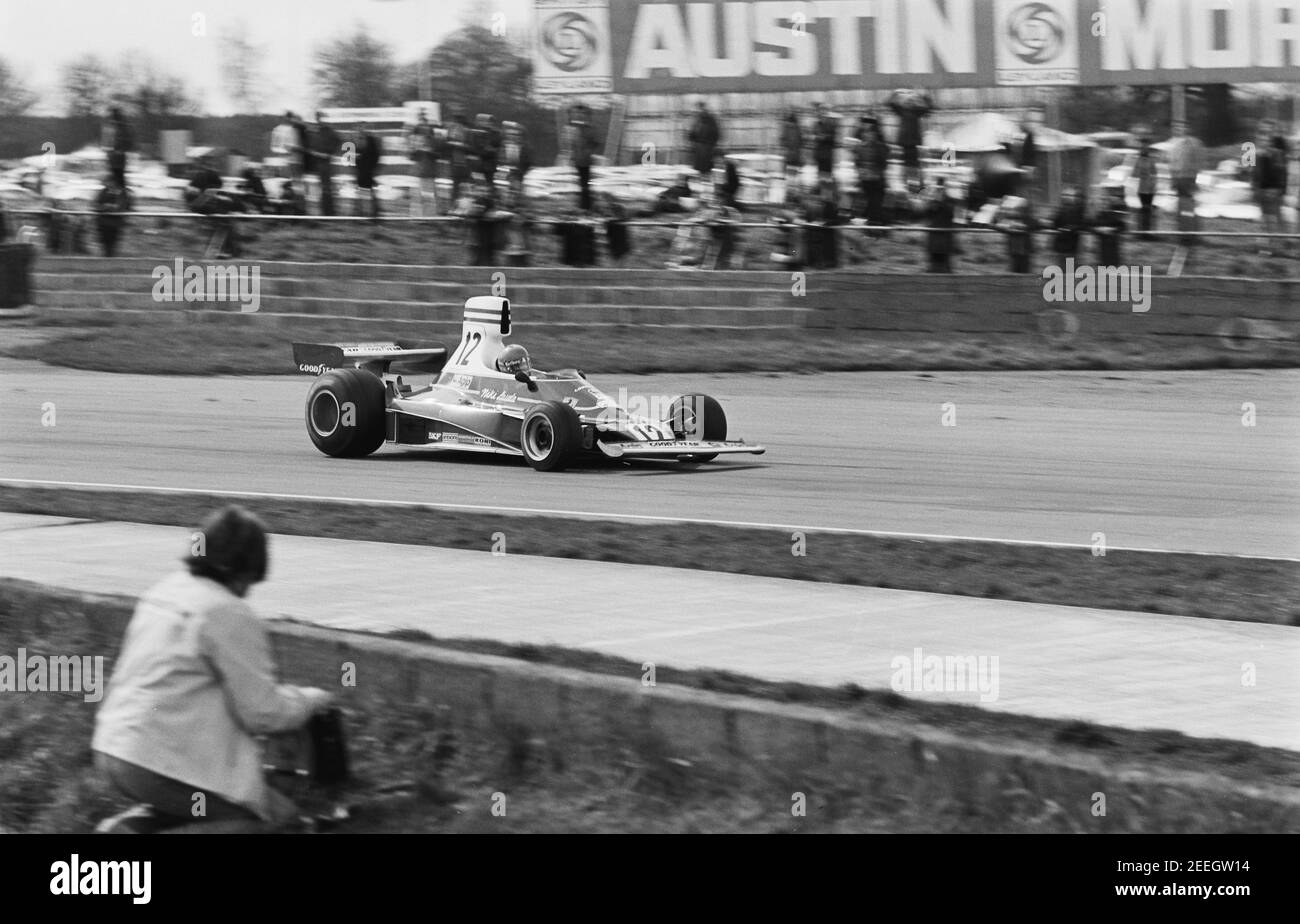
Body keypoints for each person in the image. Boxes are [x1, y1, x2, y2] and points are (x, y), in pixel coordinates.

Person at [92, 506, 334, 833]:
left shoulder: (165, 592)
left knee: (204, 809)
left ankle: (128, 829)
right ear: (246, 568)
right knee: (258, 824)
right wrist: (310, 701)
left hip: (115, 746)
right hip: (158, 759)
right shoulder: (226, 612)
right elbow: (262, 713)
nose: (249, 589)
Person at [1166, 121, 1203, 236]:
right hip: (1178, 178)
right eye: (1178, 128)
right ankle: (1183, 228)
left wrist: (1193, 178)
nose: (1180, 130)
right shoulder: (1172, 144)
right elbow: (1171, 163)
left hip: (1187, 178)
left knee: (1187, 205)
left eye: (1183, 127)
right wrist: (1173, 179)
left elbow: (1197, 162)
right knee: (1182, 205)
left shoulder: (1194, 144)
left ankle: (1189, 229)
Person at [1255, 134, 1289, 251]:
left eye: (1265, 140)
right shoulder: (1257, 154)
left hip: (1272, 191)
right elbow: (1253, 173)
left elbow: (1282, 173)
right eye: (1260, 140)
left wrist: (1280, 190)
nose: (1263, 142)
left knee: (1272, 218)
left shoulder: (1277, 154)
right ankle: (1268, 244)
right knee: (1266, 218)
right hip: (1263, 190)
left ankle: (1276, 245)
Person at [854, 115, 889, 224]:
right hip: (869, 179)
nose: (867, 134)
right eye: (866, 132)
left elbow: (883, 163)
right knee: (871, 203)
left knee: (875, 203)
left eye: (869, 132)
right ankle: (873, 224)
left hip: (876, 179)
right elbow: (857, 162)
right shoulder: (860, 147)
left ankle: (875, 225)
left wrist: (875, 172)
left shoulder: (880, 146)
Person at [568, 104, 599, 212]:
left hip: (584, 161)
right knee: (574, 185)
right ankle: (577, 206)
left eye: (582, 113)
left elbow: (594, 143)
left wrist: (587, 153)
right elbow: (568, 144)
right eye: (577, 113)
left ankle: (585, 206)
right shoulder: (570, 128)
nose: (579, 115)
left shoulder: (589, 128)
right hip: (574, 160)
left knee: (584, 186)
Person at [995, 195, 1035, 273]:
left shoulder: (1028, 219)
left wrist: (1023, 227)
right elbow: (998, 226)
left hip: (1024, 252)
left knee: (1025, 273)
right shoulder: (1009, 220)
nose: (1018, 211)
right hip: (1014, 252)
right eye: (1017, 208)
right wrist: (1007, 227)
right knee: (1014, 273)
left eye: (1021, 208)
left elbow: (1036, 225)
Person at [94, 174, 131, 257]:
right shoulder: (103, 192)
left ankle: (110, 261)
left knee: (112, 245)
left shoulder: (122, 193)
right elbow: (96, 205)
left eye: (108, 181)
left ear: (114, 182)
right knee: (104, 245)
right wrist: (108, 207)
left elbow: (121, 207)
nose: (106, 183)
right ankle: (107, 260)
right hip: (103, 223)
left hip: (115, 224)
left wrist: (107, 207)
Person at [407, 112, 437, 215]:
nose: (423, 128)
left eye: (424, 124)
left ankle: (430, 216)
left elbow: (437, 155)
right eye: (420, 125)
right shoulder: (414, 140)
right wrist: (416, 149)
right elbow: (411, 156)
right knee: (415, 195)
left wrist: (429, 151)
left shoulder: (433, 140)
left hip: (429, 171)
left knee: (428, 196)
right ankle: (416, 217)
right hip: (417, 172)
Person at [1050, 186, 1088, 268]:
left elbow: (1083, 224)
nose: (1066, 197)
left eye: (1069, 195)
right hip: (1062, 244)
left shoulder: (1078, 209)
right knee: (1062, 266)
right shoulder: (1061, 209)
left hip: (1071, 244)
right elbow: (1055, 223)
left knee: (1069, 268)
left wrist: (1070, 228)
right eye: (1065, 195)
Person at [312, 111, 340, 217]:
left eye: (319, 118)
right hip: (319, 163)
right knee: (323, 187)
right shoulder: (317, 131)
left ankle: (330, 212)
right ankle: (325, 212)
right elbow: (314, 145)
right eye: (317, 118)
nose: (319, 120)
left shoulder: (329, 131)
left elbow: (338, 141)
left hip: (326, 163)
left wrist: (329, 153)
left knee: (327, 187)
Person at [922, 180, 955, 273]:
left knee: (945, 262)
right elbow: (926, 213)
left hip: (944, 235)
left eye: (941, 188)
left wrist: (941, 203)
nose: (939, 190)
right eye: (938, 188)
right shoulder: (932, 201)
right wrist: (932, 204)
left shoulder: (950, 200)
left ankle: (945, 273)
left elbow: (951, 214)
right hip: (935, 235)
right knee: (934, 260)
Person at [1093, 185, 1127, 266]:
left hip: (1113, 248)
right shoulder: (1099, 215)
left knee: (1113, 272)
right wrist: (1099, 230)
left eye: (1105, 201)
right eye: (1102, 201)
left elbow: (1122, 226)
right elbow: (1091, 226)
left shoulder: (1114, 215)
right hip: (1102, 249)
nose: (1103, 204)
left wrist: (1111, 230)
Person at [354, 123, 382, 219]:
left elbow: (377, 155)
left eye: (363, 128)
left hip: (369, 171)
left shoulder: (372, 140)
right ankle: (362, 214)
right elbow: (348, 158)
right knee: (362, 192)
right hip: (359, 171)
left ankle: (373, 214)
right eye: (359, 128)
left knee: (369, 192)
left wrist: (373, 168)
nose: (361, 130)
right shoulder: (353, 141)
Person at [102, 106, 134, 187]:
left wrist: (109, 152)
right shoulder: (121, 126)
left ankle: (118, 192)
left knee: (117, 175)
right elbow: (128, 141)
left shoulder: (111, 126)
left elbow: (127, 141)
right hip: (116, 156)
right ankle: (118, 191)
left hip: (116, 156)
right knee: (117, 175)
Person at [688, 101, 721, 176]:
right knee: (700, 167)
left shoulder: (708, 119)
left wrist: (711, 145)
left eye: (699, 108)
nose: (697, 111)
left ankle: (705, 177)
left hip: (706, 147)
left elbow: (715, 133)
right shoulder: (698, 119)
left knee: (705, 167)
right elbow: (693, 133)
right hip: (700, 147)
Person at [1134, 138, 1159, 237]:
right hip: (1141, 188)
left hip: (1149, 189)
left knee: (1148, 210)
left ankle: (1147, 232)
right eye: (1143, 147)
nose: (1144, 149)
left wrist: (1153, 182)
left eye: (1146, 147)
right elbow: (1134, 174)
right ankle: (1141, 232)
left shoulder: (1151, 160)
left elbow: (1155, 173)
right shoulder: (1138, 160)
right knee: (1142, 210)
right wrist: (1140, 174)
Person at [780, 109, 803, 203]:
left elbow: (782, 141)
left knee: (789, 177)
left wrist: (786, 147)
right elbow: (802, 141)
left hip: (789, 157)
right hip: (796, 157)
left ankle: (789, 195)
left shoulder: (786, 129)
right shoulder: (798, 129)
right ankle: (794, 195)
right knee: (795, 177)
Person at [811, 102, 837, 179]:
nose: (822, 113)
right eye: (820, 111)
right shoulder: (816, 124)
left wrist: (824, 137)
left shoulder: (831, 124)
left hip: (827, 155)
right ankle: (822, 188)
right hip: (819, 154)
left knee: (827, 177)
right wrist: (815, 137)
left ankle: (826, 189)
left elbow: (834, 138)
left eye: (824, 111)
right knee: (820, 176)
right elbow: (813, 136)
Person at [270, 112, 297, 179]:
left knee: (286, 175)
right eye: (287, 118)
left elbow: (293, 145)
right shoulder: (277, 129)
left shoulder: (293, 129)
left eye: (289, 118)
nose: (288, 119)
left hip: (287, 156)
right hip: (281, 155)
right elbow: (273, 144)